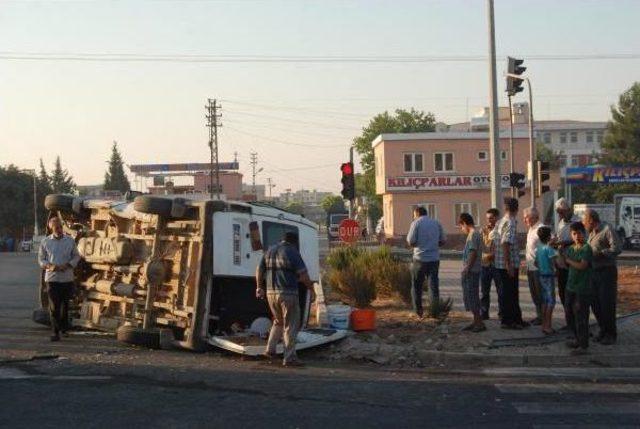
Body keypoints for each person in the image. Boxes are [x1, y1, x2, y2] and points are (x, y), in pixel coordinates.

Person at [256, 232, 314, 366]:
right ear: (294, 242)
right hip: (287, 294)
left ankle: (269, 351)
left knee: (278, 321)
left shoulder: (269, 250)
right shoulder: (292, 251)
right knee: (290, 325)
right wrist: (311, 289)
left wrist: (259, 287)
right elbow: (304, 275)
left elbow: (259, 270)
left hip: (271, 293)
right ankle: (290, 358)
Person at [37, 217, 81, 341]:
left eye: (61, 227)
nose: (59, 230)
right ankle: (55, 332)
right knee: (54, 306)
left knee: (65, 305)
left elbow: (76, 257)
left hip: (67, 278)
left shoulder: (70, 241)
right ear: (52, 228)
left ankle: (64, 328)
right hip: (52, 279)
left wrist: (68, 265)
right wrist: (50, 266)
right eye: (57, 228)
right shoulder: (45, 242)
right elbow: (41, 259)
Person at [582, 208, 621, 345]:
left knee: (607, 304)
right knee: (595, 303)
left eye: (584, 221)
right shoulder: (591, 232)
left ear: (591, 220)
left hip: (606, 272)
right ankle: (603, 330)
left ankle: (611, 334)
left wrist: (602, 253)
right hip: (594, 271)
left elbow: (617, 248)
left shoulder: (607, 229)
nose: (583, 224)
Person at [407, 206, 446, 319]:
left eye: (414, 215)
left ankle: (418, 311)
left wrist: (417, 245)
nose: (414, 217)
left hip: (419, 258)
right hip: (434, 259)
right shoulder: (436, 223)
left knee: (416, 286)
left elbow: (410, 240)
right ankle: (435, 311)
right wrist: (433, 246)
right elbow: (443, 240)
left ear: (417, 213)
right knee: (433, 286)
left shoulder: (416, 223)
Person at [494, 197, 526, 329]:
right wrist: (509, 264)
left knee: (506, 292)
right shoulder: (511, 222)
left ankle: (516, 319)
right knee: (510, 293)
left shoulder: (501, 221)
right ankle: (509, 321)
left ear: (505, 208)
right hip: (508, 264)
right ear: (516, 209)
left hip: (499, 263)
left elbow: (494, 239)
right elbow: (505, 243)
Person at [564, 222, 594, 355]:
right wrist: (556, 253)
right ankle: (577, 339)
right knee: (569, 314)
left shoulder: (586, 248)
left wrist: (568, 260)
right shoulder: (571, 249)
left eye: (579, 233)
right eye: (574, 233)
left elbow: (582, 266)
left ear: (584, 233)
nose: (577, 236)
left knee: (581, 316)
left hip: (582, 288)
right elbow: (563, 265)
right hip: (570, 286)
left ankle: (583, 345)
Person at [458, 213, 485, 332]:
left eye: (461, 226)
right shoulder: (472, 234)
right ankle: (475, 322)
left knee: (472, 296)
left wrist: (467, 268)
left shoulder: (473, 235)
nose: (461, 229)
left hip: (472, 270)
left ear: (464, 223)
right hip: (472, 269)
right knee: (470, 296)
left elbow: (473, 252)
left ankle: (479, 323)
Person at [553, 198, 578, 310]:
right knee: (562, 291)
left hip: (573, 262)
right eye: (558, 212)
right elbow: (558, 237)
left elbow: (582, 240)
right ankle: (569, 320)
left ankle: (576, 322)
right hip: (561, 262)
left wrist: (565, 242)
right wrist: (554, 241)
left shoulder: (578, 222)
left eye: (562, 212)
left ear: (569, 209)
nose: (560, 215)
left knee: (573, 292)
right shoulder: (561, 223)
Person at [535, 226, 558, 335]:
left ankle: (544, 325)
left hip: (541, 275)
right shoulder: (549, 249)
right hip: (549, 276)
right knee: (551, 302)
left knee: (544, 301)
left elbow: (535, 263)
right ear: (549, 236)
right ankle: (548, 326)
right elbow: (555, 263)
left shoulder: (538, 248)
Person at [524, 207, 544, 326]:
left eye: (526, 217)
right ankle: (539, 315)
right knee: (534, 293)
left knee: (540, 293)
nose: (524, 219)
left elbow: (549, 244)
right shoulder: (531, 229)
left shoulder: (541, 228)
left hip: (539, 268)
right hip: (530, 267)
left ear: (534, 217)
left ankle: (543, 317)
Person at [480, 208, 501, 320]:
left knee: (500, 291)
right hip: (485, 265)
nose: (489, 221)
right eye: (488, 218)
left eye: (491, 218)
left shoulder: (500, 230)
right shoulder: (483, 231)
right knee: (484, 291)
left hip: (497, 264)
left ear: (497, 218)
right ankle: (484, 312)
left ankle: (502, 312)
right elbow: (479, 248)